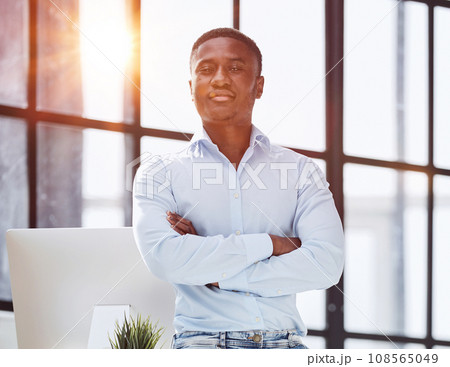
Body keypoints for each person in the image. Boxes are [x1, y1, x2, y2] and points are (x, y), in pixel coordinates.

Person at [133, 27, 344, 349]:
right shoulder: (158, 171)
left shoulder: (301, 171)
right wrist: (272, 244)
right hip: (201, 347)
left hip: (287, 347)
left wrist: (215, 271)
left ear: (258, 85)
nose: (219, 79)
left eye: (234, 68)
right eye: (206, 69)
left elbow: (326, 264)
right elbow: (164, 259)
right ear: (192, 88)